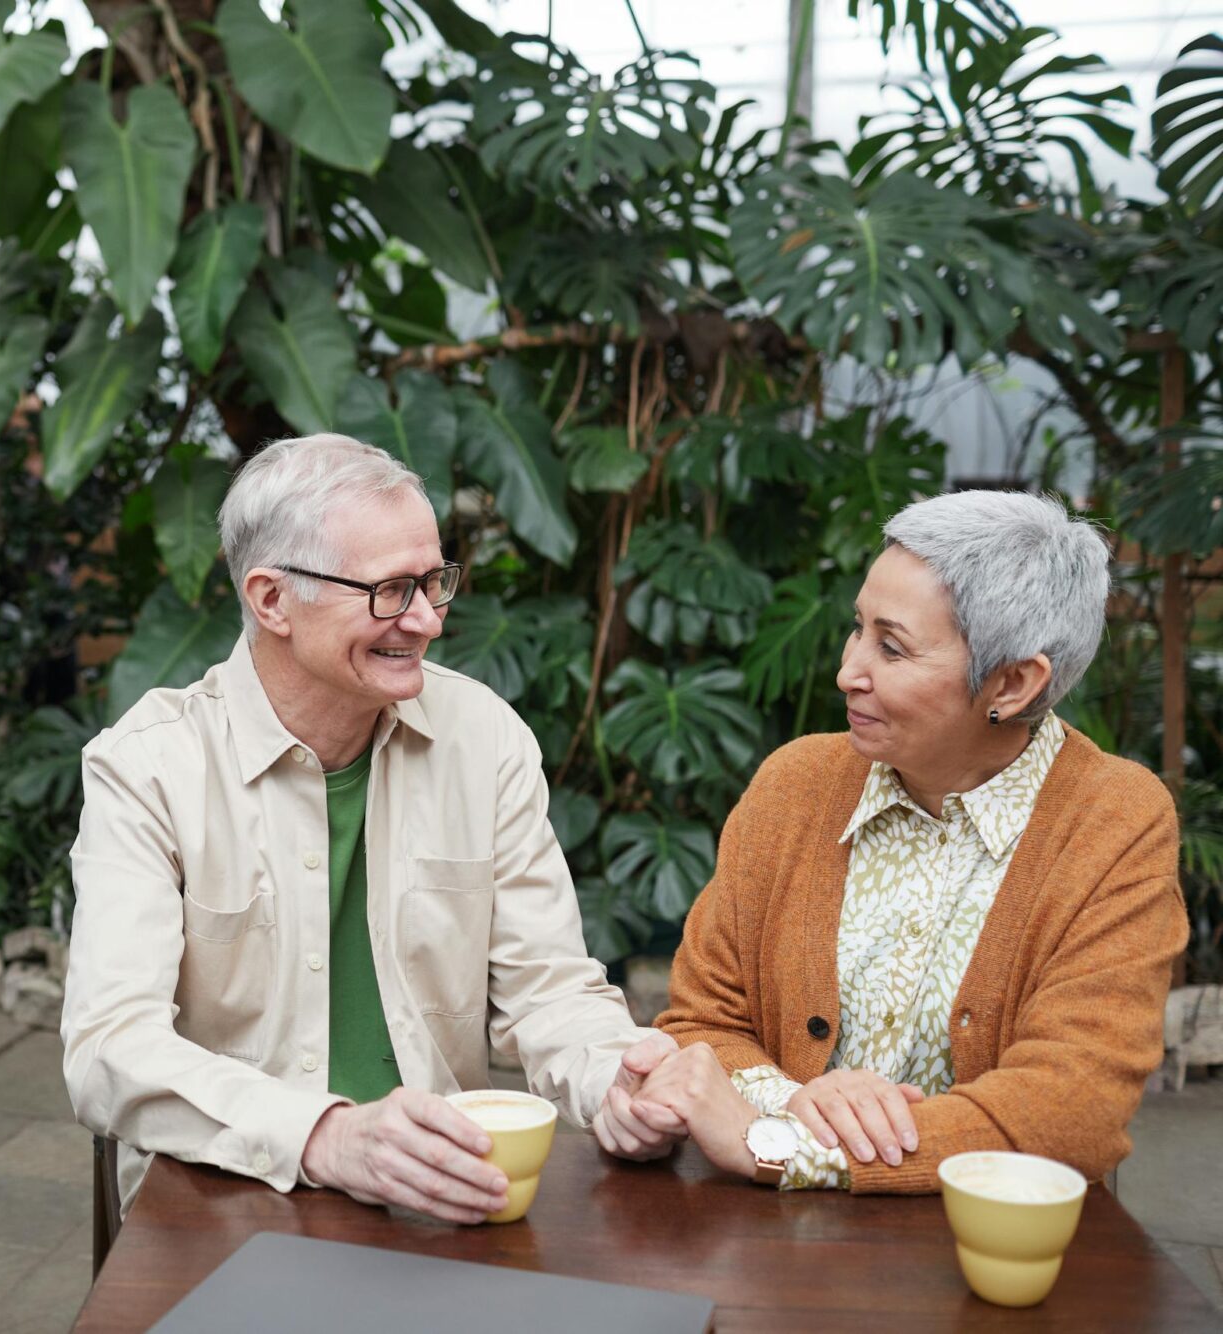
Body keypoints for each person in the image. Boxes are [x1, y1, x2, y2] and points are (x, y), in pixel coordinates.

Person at [60, 434, 680, 1225]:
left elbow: (549, 992)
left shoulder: (482, 739)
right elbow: (109, 1047)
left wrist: (613, 1080)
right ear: (272, 600)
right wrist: (325, 1136)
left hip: (443, 1194)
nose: (427, 621)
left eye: (433, 582)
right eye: (390, 591)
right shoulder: (148, 771)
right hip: (225, 1199)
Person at [628, 490, 1186, 1192]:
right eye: (857, 628)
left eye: (891, 647)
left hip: (992, 1254)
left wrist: (789, 1147)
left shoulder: (1115, 823)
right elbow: (702, 1023)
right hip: (769, 1247)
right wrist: (794, 1099)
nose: (848, 671)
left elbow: (1071, 1109)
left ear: (1012, 684)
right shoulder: (795, 784)